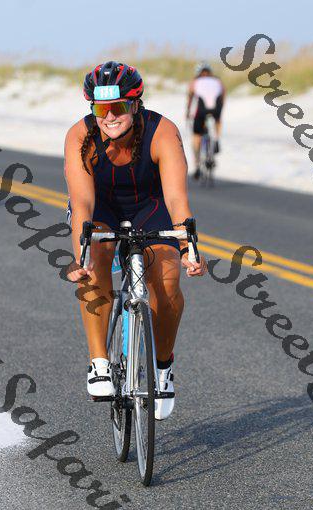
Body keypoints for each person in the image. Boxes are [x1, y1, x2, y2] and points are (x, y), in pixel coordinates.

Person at [64, 61, 207, 420]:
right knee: (95, 258)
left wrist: (188, 248)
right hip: (101, 206)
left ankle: (163, 367)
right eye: (101, 109)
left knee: (168, 282)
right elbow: (82, 204)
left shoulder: (162, 132)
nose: (110, 117)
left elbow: (176, 199)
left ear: (135, 104)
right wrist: (81, 256)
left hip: (151, 205)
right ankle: (99, 363)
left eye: (118, 107)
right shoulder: (80, 136)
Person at [186, 62, 225, 179]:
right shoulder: (217, 81)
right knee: (218, 120)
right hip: (216, 109)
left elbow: (190, 98)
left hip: (201, 111)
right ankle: (217, 139)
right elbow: (223, 95)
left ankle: (197, 166)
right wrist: (219, 111)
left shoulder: (195, 82)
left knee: (196, 136)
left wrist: (187, 113)